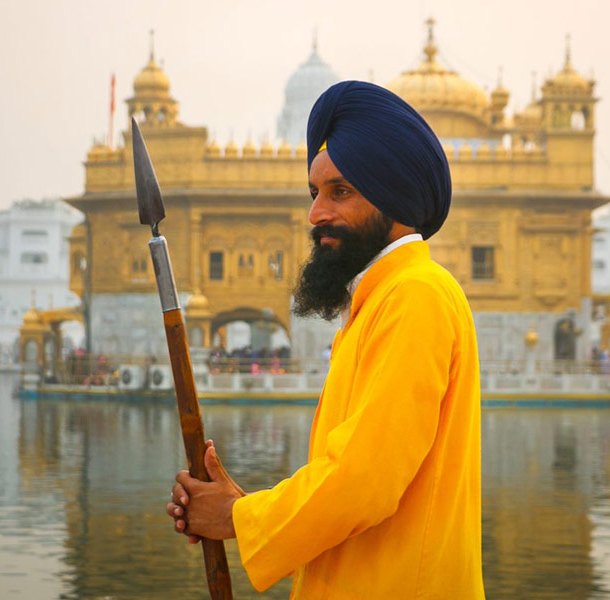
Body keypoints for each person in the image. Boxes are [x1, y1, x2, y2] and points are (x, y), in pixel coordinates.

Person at [165, 81, 484, 598]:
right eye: (315, 194)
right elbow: (356, 500)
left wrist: (240, 518)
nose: (317, 214)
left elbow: (363, 484)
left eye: (341, 192)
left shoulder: (415, 296)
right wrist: (245, 508)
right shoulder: (377, 301)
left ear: (393, 195)